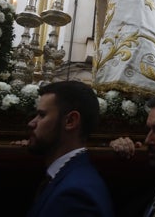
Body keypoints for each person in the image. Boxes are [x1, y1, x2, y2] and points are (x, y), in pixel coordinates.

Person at [25, 80, 115, 217]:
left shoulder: (77, 195)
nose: (31, 123)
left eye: (42, 115)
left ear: (70, 121)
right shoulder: (67, 177)